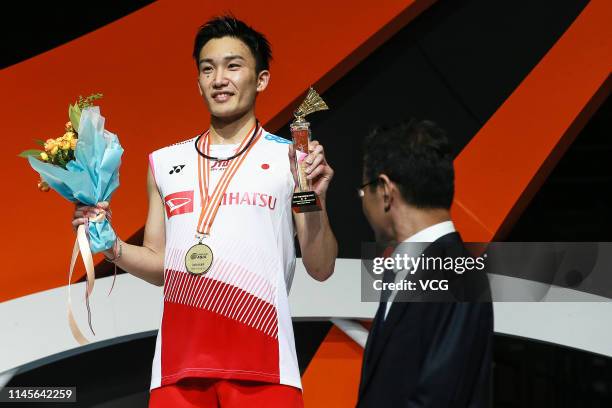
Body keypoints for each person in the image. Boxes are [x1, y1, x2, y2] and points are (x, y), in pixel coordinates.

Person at [72, 16, 337, 407]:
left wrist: (313, 197)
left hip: (265, 366)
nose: (219, 79)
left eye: (233, 66)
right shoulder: (164, 163)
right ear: (198, 82)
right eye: (208, 68)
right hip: (177, 371)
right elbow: (162, 264)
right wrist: (110, 245)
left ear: (261, 79)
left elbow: (320, 266)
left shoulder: (290, 158)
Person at [357, 119, 493, 407]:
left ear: (384, 190)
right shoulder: (400, 270)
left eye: (362, 190)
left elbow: (438, 397)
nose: (362, 202)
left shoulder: (459, 274)